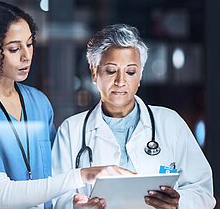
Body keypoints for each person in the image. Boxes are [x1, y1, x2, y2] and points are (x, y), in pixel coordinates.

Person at [0, 2, 136, 209]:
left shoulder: (38, 102)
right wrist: (84, 174)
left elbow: (52, 179)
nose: (27, 56)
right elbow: (0, 195)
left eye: (30, 44)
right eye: (14, 48)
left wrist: (73, 204)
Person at [52, 24, 216, 208]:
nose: (121, 81)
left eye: (130, 72)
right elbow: (55, 197)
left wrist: (178, 203)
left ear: (140, 75)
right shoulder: (71, 130)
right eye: (111, 70)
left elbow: (204, 193)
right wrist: (75, 207)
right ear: (94, 72)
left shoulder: (170, 123)